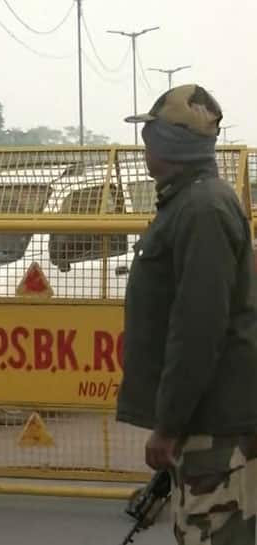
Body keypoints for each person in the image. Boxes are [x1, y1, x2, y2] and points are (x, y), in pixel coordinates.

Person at [116, 84, 257, 545]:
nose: (145, 145)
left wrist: (168, 426)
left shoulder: (201, 209)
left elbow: (198, 330)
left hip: (211, 428)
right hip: (207, 424)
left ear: (172, 143)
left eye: (151, 134)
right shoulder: (192, 201)